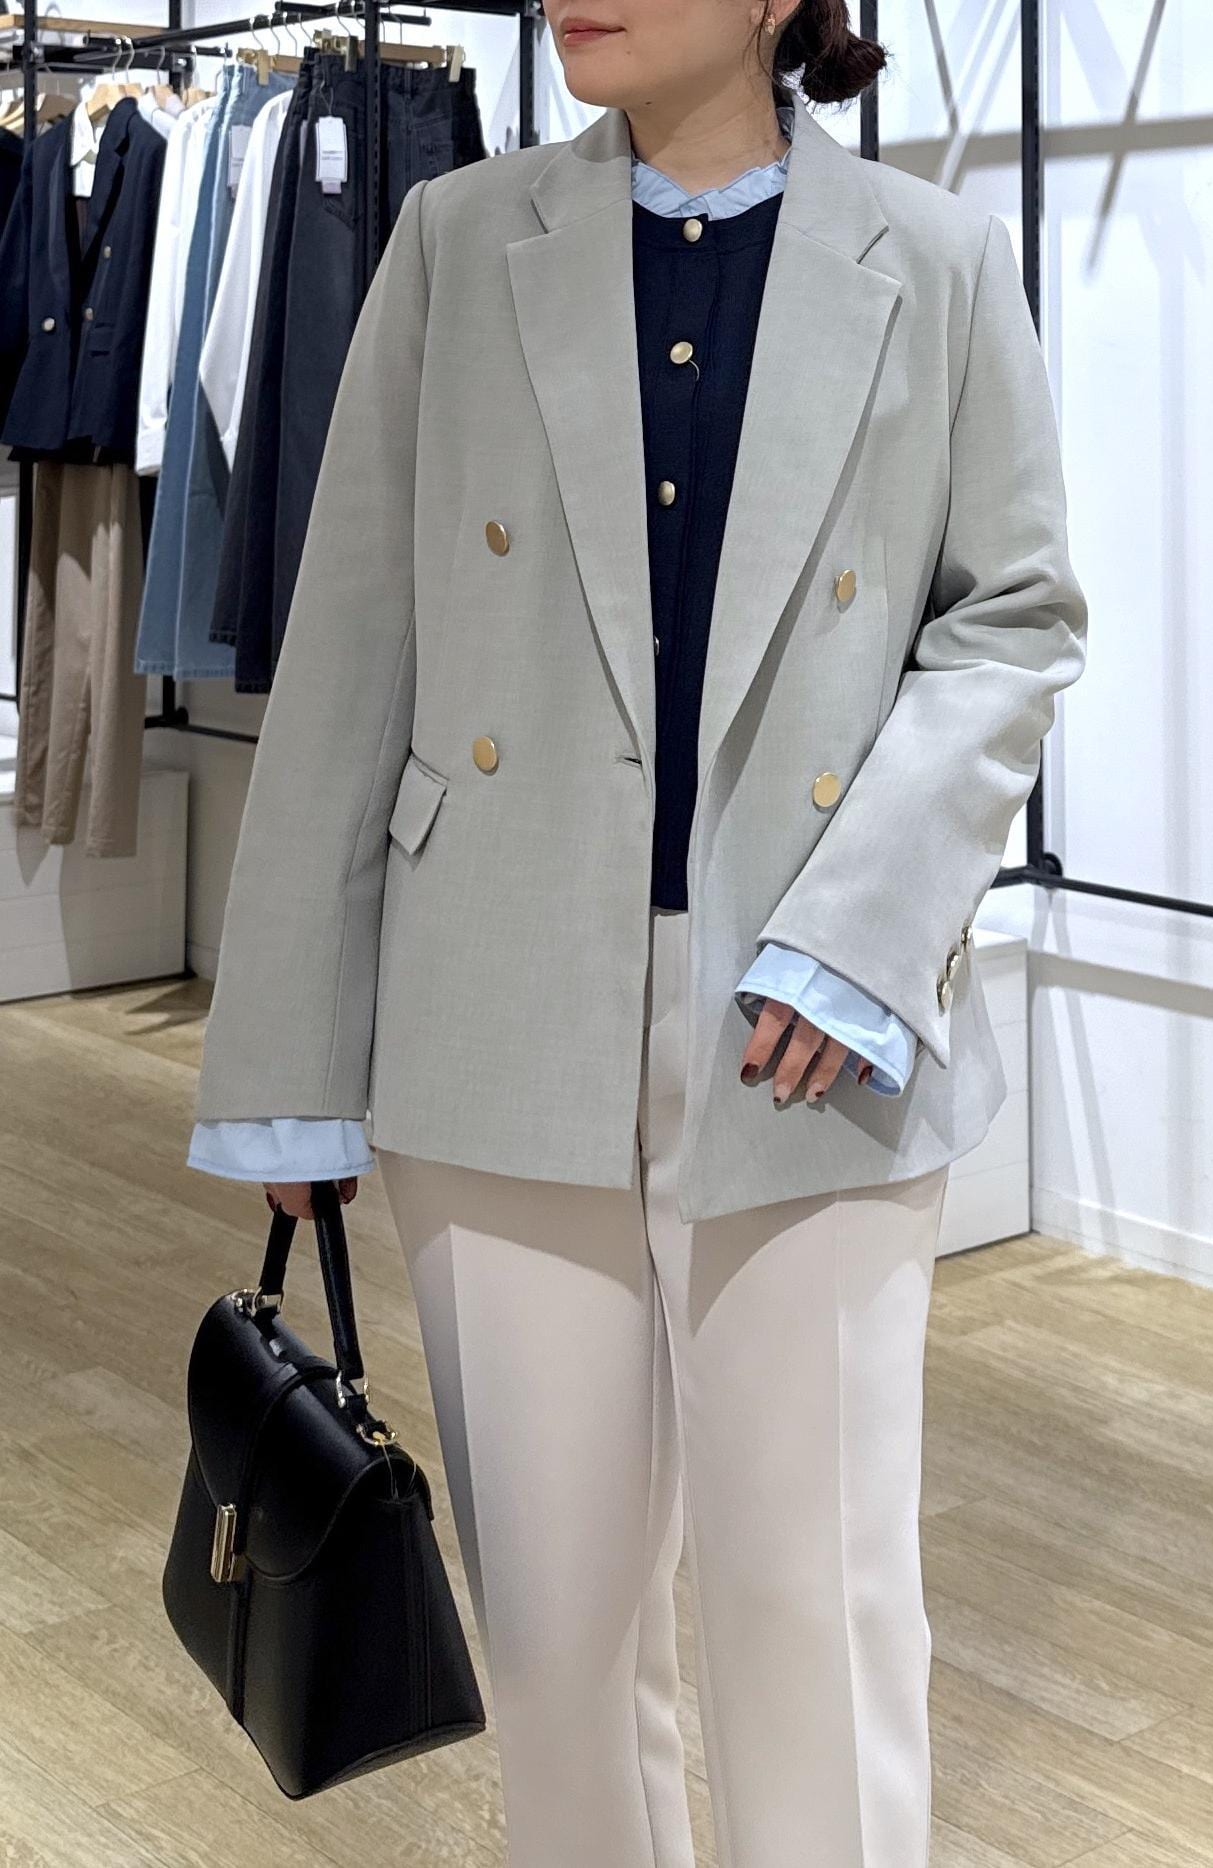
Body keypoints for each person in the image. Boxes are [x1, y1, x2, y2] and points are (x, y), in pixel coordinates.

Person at [188, 1, 1088, 1861]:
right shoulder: (458, 240)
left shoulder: (933, 259)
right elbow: (353, 641)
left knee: (815, 1610)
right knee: (556, 1635)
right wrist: (289, 1052)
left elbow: (1010, 622)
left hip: (809, 1024)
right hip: (495, 1007)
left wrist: (863, 931)